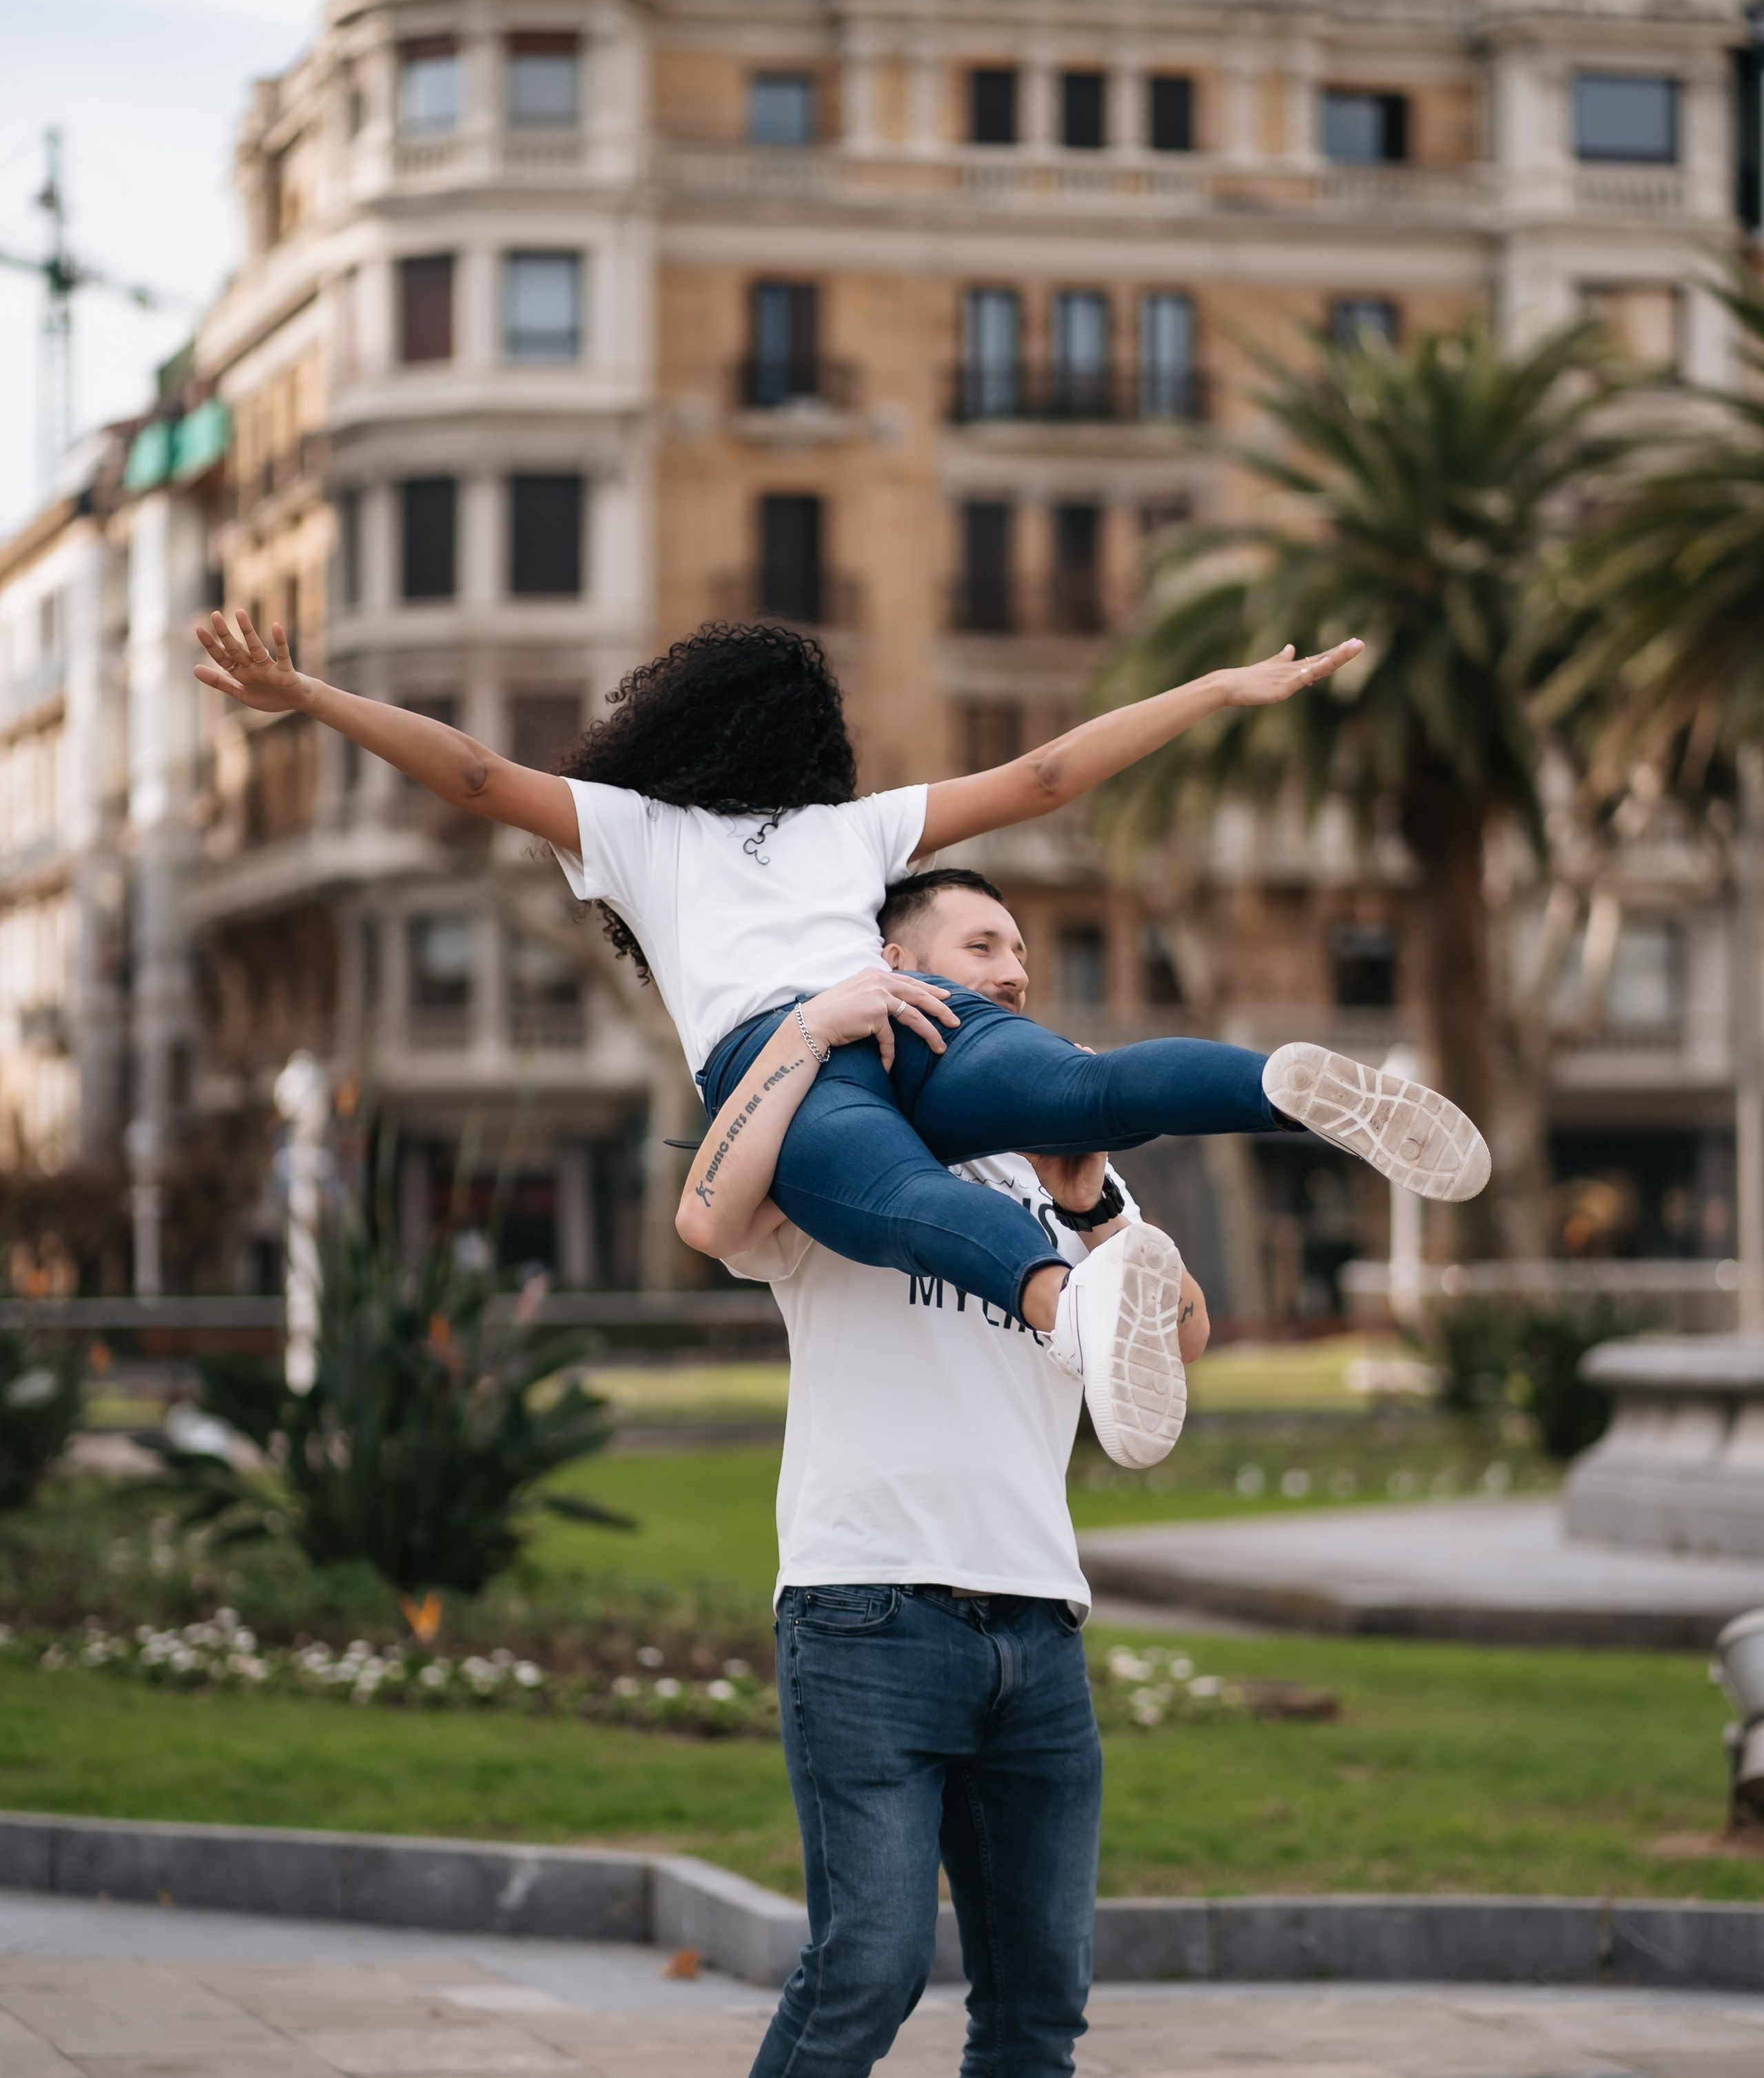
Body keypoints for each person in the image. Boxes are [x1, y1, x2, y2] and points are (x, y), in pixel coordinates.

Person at [192, 611, 1489, 1466]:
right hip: (918, 1010)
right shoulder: (856, 828)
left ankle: (1072, 1305)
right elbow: (1046, 777)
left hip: (794, 1055)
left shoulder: (639, 829)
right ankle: (1281, 1085)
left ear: (674, 721)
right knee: (1083, 1092)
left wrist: (310, 694)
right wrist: (1214, 687)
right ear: (819, 739)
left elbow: (473, 776)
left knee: (899, 1204)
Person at [679, 867, 1207, 2078]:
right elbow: (704, 1211)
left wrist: (1094, 1192)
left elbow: (1177, 1352)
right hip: (863, 1608)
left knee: (1039, 1989)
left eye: (1025, 953)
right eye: (984, 944)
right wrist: (813, 1030)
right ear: (898, 963)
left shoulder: (1054, 1180)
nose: (1016, 970)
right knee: (869, 1963)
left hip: (1033, 1624)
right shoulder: (845, 1155)